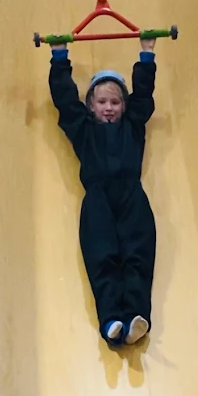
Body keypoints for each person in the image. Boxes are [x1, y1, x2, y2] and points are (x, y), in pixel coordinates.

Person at [47, 37, 158, 346]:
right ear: (91, 106)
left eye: (115, 102)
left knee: (138, 254)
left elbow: (143, 96)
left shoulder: (132, 125)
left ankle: (136, 316)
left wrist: (146, 55)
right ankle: (110, 318)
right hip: (97, 199)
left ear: (123, 106)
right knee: (102, 255)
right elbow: (65, 101)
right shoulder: (83, 128)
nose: (109, 108)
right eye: (102, 102)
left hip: (131, 197)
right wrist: (59, 58)